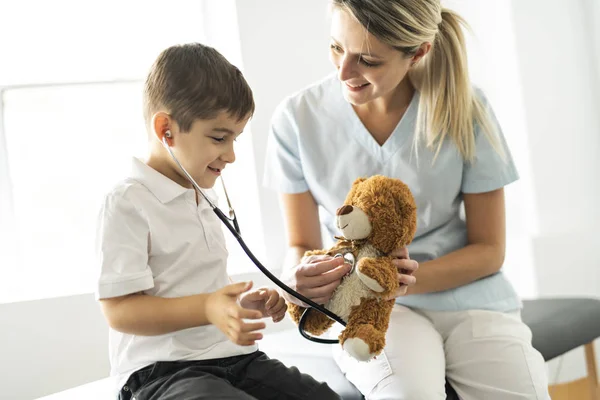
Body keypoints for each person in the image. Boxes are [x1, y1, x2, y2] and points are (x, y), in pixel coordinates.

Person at [264, 1, 550, 399]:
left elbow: (489, 250)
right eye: (335, 48)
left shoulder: (465, 108)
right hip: (370, 307)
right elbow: (300, 243)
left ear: (417, 52)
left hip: (470, 297)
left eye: (367, 60)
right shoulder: (297, 118)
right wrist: (299, 276)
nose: (343, 72)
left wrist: (400, 281)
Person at [95, 43, 341, 400]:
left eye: (235, 138)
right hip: (161, 373)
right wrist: (209, 307)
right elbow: (119, 311)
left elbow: (198, 283)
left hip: (234, 360)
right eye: (219, 137)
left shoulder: (203, 194)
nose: (231, 154)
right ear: (166, 129)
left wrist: (242, 304)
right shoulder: (128, 201)